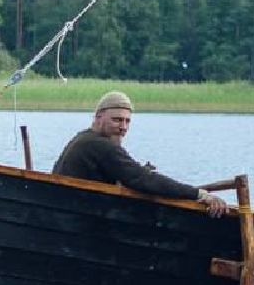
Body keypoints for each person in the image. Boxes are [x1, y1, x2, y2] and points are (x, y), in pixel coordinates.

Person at [52, 90, 228, 217]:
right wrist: (200, 195)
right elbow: (142, 179)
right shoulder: (97, 145)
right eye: (117, 120)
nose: (123, 127)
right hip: (76, 216)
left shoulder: (83, 138)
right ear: (98, 117)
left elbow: (131, 175)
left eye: (127, 121)